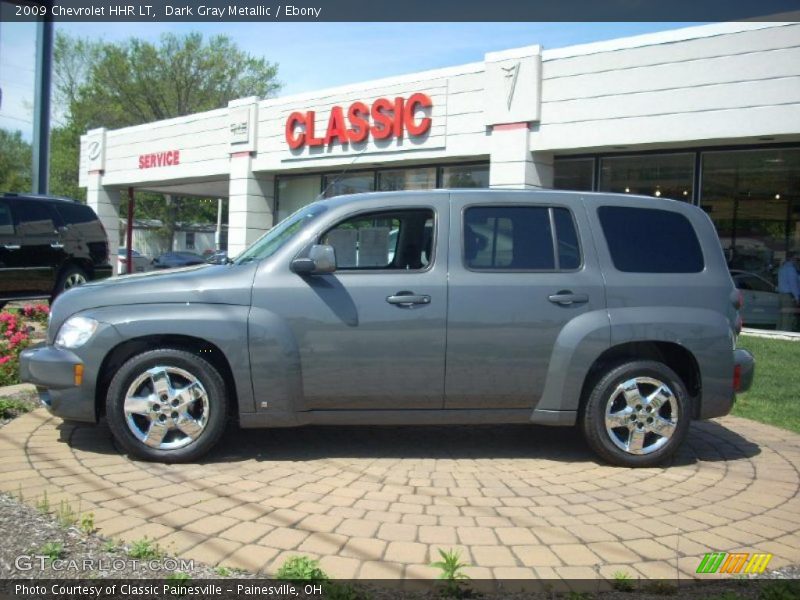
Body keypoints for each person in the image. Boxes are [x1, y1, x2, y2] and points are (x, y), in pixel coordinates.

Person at [777, 252, 800, 331]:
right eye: (797, 259)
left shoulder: (782, 268)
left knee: (781, 316)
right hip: (788, 296)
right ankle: (784, 334)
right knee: (787, 317)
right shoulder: (791, 269)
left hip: (781, 295)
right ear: (792, 258)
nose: (798, 261)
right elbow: (793, 285)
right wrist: (797, 298)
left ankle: (778, 332)